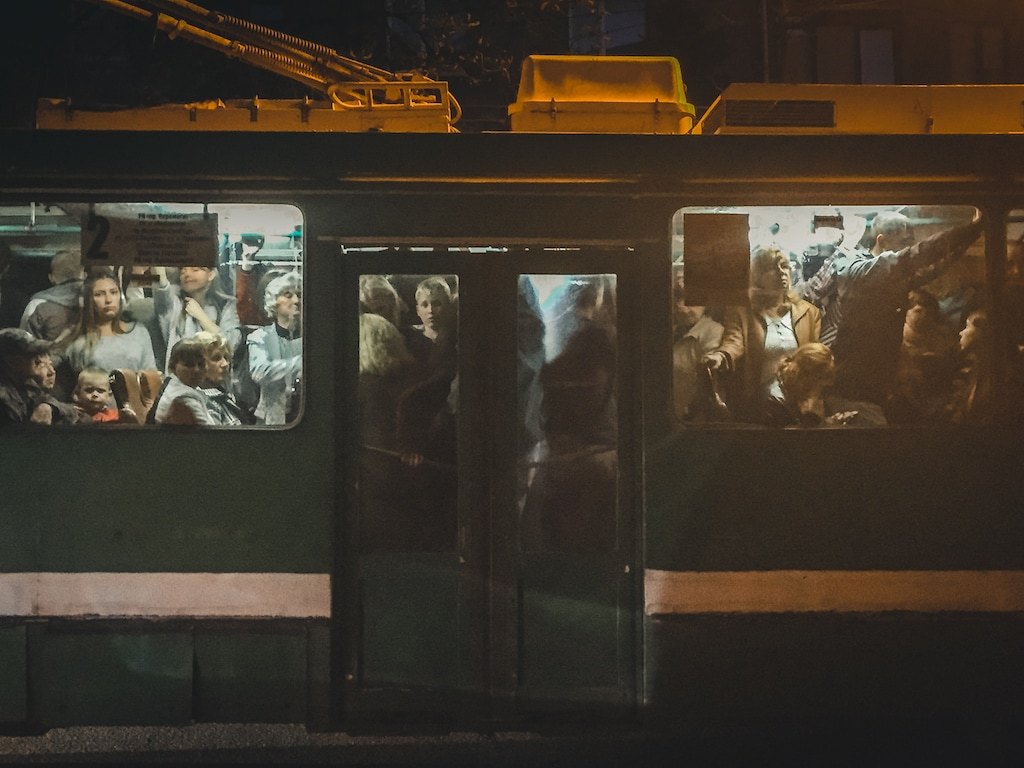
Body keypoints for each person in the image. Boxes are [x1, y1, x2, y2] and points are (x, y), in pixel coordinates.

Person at [803, 209, 984, 406]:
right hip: (838, 373)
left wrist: (971, 234)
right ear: (882, 241)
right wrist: (970, 230)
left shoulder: (894, 276)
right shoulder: (855, 268)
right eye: (904, 242)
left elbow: (934, 266)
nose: (909, 247)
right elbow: (916, 256)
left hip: (874, 375)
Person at [704, 246, 821, 422]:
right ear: (758, 277)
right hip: (758, 407)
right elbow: (733, 342)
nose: (781, 272)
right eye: (772, 268)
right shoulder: (742, 311)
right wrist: (721, 356)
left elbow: (815, 362)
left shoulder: (809, 313)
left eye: (785, 266)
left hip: (799, 407)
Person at [60, 270, 157, 382]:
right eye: (99, 294)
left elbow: (151, 374)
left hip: (136, 397)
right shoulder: (80, 342)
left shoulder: (139, 331)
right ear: (89, 299)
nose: (108, 300)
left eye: (113, 292)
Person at [767, 342, 886, 427]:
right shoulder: (777, 402)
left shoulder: (815, 395)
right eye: (827, 378)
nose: (830, 384)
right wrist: (812, 420)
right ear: (812, 378)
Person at [153, 265, 240, 370]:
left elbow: (230, 345)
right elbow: (161, 288)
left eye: (195, 269)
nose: (187, 274)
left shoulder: (225, 306)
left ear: (211, 274)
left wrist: (201, 316)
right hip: (182, 381)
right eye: (183, 271)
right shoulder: (173, 305)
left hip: (217, 381)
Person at [247, 271, 302, 425]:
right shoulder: (259, 336)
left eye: (299, 294)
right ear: (274, 301)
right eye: (288, 295)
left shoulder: (314, 337)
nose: (297, 300)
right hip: (270, 421)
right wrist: (301, 364)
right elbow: (259, 371)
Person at [0, 329, 84, 427]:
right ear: (13, 361)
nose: (40, 359)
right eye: (32, 355)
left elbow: (74, 411)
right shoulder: (3, 396)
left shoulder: (27, 384)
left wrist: (49, 407)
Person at [671, 272, 723, 426]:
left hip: (696, 425)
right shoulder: (671, 331)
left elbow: (708, 386)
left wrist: (688, 414)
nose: (680, 306)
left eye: (688, 299)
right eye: (677, 297)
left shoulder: (713, 332)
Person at [19, 249, 85, 342]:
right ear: (84, 274)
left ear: (51, 277)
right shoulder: (99, 299)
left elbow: (24, 344)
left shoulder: (37, 305)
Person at [193, 330, 251, 425]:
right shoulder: (202, 402)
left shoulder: (223, 396)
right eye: (216, 358)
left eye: (226, 357)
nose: (225, 364)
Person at [153, 338, 214, 425]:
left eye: (201, 364)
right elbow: (211, 435)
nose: (197, 370)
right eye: (189, 365)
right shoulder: (184, 397)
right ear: (173, 367)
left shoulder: (172, 384)